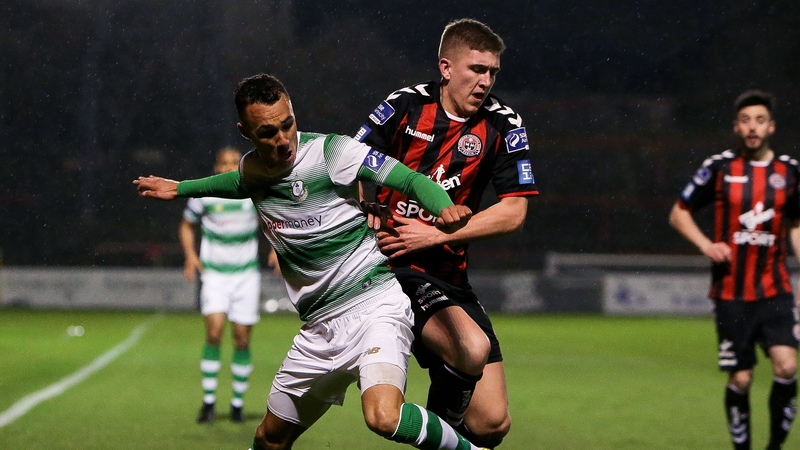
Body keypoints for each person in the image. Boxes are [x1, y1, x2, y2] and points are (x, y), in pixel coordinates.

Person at [135, 73, 490, 450]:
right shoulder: (252, 170)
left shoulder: (332, 152)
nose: (283, 140)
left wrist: (445, 208)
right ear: (246, 132)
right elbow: (235, 184)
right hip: (319, 329)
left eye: (288, 124)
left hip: (374, 306)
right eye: (268, 132)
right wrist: (180, 189)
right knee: (270, 439)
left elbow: (412, 181)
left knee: (383, 416)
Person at [355, 18, 538, 448]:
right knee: (470, 347)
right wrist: (367, 208)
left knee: (493, 422)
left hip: (448, 273)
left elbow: (514, 212)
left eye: (492, 71)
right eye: (476, 68)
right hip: (394, 267)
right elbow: (351, 161)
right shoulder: (405, 106)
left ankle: (444, 439)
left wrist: (436, 236)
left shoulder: (504, 124)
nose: (485, 81)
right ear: (446, 67)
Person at [669, 90, 800, 450]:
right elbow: (679, 212)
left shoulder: (789, 171)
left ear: (771, 126)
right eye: (745, 120)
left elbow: (795, 224)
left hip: (775, 288)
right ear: (736, 127)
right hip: (731, 292)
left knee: (787, 367)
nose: (752, 127)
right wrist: (705, 244)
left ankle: (775, 446)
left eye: (759, 119)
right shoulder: (720, 167)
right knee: (741, 379)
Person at [179, 146, 263, 424]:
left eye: (233, 163)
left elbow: (273, 220)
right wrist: (190, 255)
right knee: (214, 332)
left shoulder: (253, 192)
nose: (228, 167)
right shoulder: (204, 194)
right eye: (223, 163)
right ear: (216, 167)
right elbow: (186, 225)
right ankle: (209, 402)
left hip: (246, 277)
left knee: (242, 339)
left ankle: (237, 404)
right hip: (214, 275)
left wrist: (277, 249)